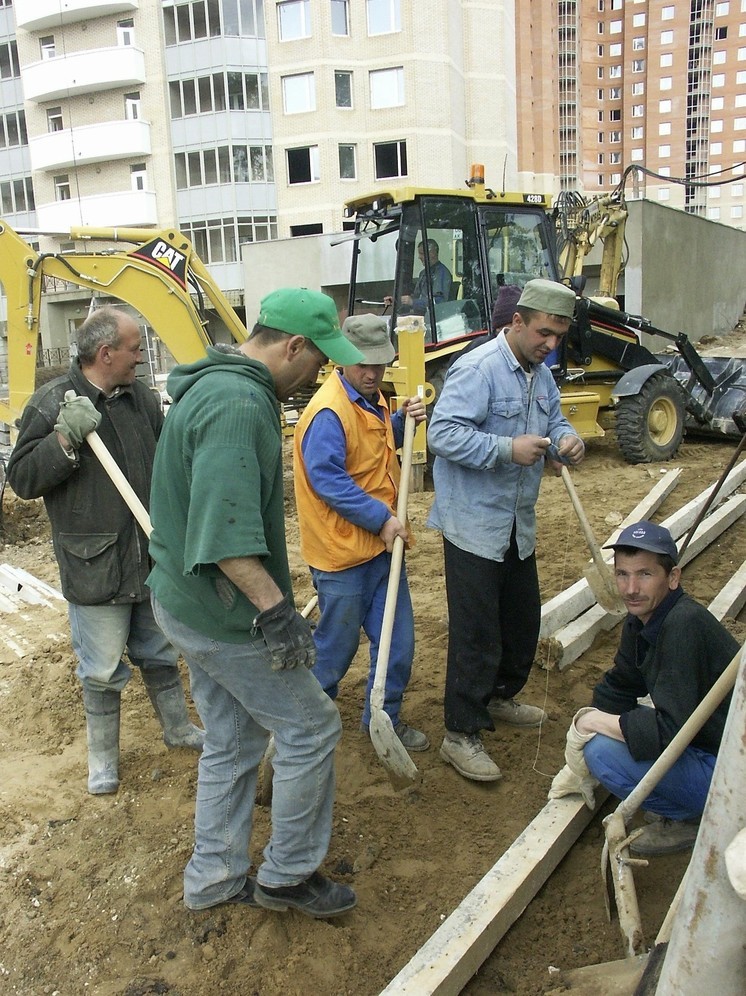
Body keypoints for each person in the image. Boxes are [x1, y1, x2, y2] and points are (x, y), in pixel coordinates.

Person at [147, 287, 365, 917]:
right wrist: (277, 613)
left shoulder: (213, 384)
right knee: (311, 728)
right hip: (220, 609)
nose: (320, 373)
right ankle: (288, 875)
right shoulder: (240, 405)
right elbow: (225, 539)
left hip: (182, 599)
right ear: (293, 346)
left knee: (235, 737)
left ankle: (214, 878)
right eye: (319, 360)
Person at [6, 306, 204, 795]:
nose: (142, 356)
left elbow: (165, 467)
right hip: (94, 562)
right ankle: (103, 761)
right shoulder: (53, 401)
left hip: (149, 551)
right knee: (100, 668)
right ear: (105, 352)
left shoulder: (141, 399)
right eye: (135, 348)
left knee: (158, 650)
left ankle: (178, 729)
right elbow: (23, 479)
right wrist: (63, 438)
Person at [427, 278, 585, 782]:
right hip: (474, 524)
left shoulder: (541, 373)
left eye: (558, 336)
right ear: (517, 322)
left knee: (520, 624)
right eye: (543, 333)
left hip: (518, 522)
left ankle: (498, 698)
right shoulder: (478, 369)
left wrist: (567, 439)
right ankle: (461, 732)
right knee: (476, 633)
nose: (551, 344)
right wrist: (505, 449)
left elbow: (555, 419)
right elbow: (442, 434)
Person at [549, 520, 739, 857]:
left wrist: (590, 725)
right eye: (623, 574)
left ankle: (693, 819)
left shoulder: (683, 625)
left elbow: (670, 730)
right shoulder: (643, 620)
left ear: (674, 577)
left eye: (645, 574)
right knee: (608, 733)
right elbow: (621, 685)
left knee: (601, 753)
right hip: (713, 745)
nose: (631, 588)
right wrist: (576, 750)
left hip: (733, 772)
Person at [293, 314, 429, 752]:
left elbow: (368, 448)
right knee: (335, 649)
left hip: (380, 550)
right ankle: (308, 728)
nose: (371, 372)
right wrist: (383, 519)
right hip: (341, 556)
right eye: (362, 364)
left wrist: (402, 422)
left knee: (397, 643)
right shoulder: (328, 412)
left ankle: (382, 722)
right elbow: (329, 479)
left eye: (378, 364)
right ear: (341, 359)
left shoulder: (372, 400)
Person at [401, 239, 452, 313]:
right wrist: (398, 300)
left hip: (434, 317)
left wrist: (414, 303)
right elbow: (416, 296)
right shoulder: (423, 273)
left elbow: (439, 302)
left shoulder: (442, 273)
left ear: (432, 253)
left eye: (422, 253)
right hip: (420, 314)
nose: (419, 257)